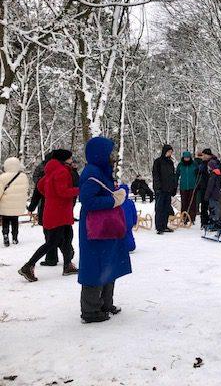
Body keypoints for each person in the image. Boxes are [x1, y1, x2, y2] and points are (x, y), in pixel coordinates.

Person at [77, 137, 131, 323]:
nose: (112, 156)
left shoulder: (102, 170)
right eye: (109, 153)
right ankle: (91, 311)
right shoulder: (92, 172)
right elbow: (87, 201)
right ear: (99, 154)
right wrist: (113, 200)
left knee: (109, 263)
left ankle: (105, 304)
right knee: (95, 267)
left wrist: (117, 193)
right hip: (95, 228)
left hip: (106, 226)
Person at [18, 149, 79, 282]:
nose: (71, 159)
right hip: (60, 212)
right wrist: (79, 190)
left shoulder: (50, 171)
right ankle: (28, 266)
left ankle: (68, 265)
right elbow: (63, 192)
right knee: (52, 242)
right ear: (64, 159)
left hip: (54, 210)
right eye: (70, 158)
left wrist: (51, 196)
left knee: (67, 237)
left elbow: (40, 187)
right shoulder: (62, 171)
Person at [27, 152, 58, 266]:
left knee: (50, 236)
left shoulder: (44, 171)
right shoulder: (62, 171)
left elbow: (37, 191)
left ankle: (52, 258)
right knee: (60, 235)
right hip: (58, 208)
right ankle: (66, 258)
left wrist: (31, 207)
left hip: (46, 207)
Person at [1, 157, 29, 247]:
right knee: (15, 221)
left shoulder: (2, 177)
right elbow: (25, 190)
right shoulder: (23, 177)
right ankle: (15, 237)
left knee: (5, 221)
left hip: (5, 204)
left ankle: (5, 235)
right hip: (17, 204)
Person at [152, 144, 177, 234]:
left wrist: (174, 187)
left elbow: (173, 176)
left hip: (168, 189)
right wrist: (158, 187)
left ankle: (164, 225)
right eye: (169, 151)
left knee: (167, 208)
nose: (170, 153)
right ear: (164, 151)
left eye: (171, 152)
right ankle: (159, 227)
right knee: (159, 208)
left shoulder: (170, 162)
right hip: (160, 189)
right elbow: (156, 175)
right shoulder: (158, 162)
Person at [176, 151, 199, 223]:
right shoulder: (180, 165)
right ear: (183, 158)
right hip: (183, 187)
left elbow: (198, 174)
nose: (187, 159)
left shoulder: (194, 164)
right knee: (184, 203)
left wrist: (197, 184)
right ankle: (184, 218)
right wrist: (175, 184)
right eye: (185, 158)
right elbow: (177, 174)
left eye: (188, 158)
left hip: (192, 186)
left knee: (192, 203)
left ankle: (192, 218)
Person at [197, 148, 214, 225]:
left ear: (208, 155)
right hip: (203, 186)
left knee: (210, 205)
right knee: (203, 205)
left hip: (210, 187)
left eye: (204, 155)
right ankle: (204, 222)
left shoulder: (212, 163)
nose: (202, 156)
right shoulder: (202, 163)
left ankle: (211, 221)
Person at [205, 157, 221, 222]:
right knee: (216, 207)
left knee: (213, 208)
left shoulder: (213, 175)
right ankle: (215, 219)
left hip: (212, 195)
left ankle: (214, 220)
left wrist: (206, 195)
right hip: (216, 194)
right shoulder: (218, 174)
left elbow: (210, 187)